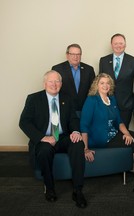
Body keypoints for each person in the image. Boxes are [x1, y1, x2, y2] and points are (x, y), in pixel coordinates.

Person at [19, 70, 87, 208]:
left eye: (57, 81)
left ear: (61, 84)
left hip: (62, 137)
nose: (54, 84)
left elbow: (73, 118)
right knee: (44, 151)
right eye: (51, 81)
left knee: (78, 144)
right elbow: (24, 122)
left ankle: (77, 190)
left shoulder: (67, 99)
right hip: (45, 139)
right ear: (45, 83)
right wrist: (42, 137)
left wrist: (75, 131)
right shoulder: (33, 99)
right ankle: (49, 188)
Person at [80, 73, 134, 162]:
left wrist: (127, 134)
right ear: (96, 85)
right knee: (130, 144)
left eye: (108, 83)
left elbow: (119, 121)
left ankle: (128, 164)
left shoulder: (112, 99)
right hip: (100, 139)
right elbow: (84, 125)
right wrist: (85, 148)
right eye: (102, 83)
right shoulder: (91, 100)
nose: (105, 85)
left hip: (113, 135)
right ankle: (126, 165)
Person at [99, 33, 134, 128]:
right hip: (107, 105)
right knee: (108, 133)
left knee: (123, 135)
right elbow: (99, 83)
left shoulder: (133, 61)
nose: (118, 46)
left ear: (125, 45)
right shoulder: (104, 61)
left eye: (121, 43)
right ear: (111, 45)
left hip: (126, 106)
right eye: (116, 43)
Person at [52, 43, 95, 116]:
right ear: (67, 55)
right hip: (64, 109)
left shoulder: (89, 69)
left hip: (84, 109)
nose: (76, 57)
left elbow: (93, 90)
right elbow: (54, 89)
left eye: (78, 54)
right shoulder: (57, 69)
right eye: (73, 54)